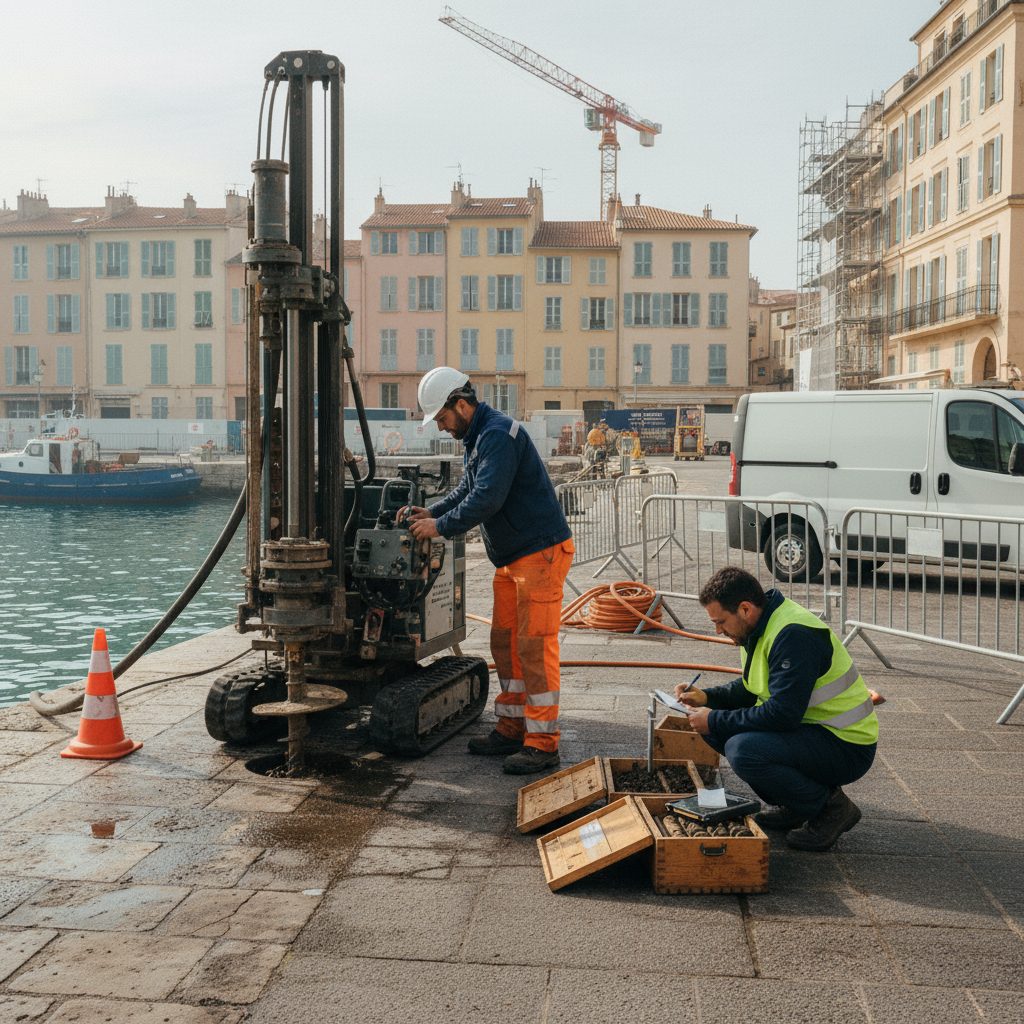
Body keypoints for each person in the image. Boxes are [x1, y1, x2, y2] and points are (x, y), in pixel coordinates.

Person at [404, 367, 574, 775]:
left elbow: (487, 499)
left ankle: (542, 742)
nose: (444, 428)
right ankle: (513, 726)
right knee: (505, 643)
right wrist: (434, 510)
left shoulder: (496, 435)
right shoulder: (478, 436)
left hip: (539, 553)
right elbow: (467, 489)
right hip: (514, 558)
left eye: (443, 419)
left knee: (533, 647)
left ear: (461, 405)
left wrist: (438, 527)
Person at [674, 566, 878, 851]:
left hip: (846, 743)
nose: (717, 631)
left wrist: (716, 719)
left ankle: (831, 809)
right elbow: (752, 688)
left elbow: (783, 713)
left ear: (745, 609)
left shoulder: (793, 634)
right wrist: (706, 698)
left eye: (720, 622)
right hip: (813, 730)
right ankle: (799, 803)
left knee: (743, 749)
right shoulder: (756, 627)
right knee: (716, 729)